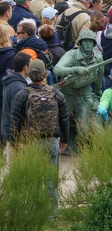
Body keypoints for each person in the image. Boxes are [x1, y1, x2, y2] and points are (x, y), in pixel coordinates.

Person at [9, 59, 70, 197]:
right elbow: (65, 118)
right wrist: (64, 139)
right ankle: (52, 215)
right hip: (52, 141)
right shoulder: (56, 94)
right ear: (45, 74)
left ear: (29, 74)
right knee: (51, 180)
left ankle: (33, 214)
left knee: (33, 180)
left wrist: (15, 143)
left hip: (31, 143)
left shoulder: (22, 94)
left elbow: (15, 121)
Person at [52, 28, 104, 133]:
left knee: (83, 129)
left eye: (90, 41)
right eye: (85, 41)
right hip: (68, 95)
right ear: (80, 42)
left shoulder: (98, 58)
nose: (88, 44)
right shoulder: (71, 55)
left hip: (84, 94)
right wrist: (75, 69)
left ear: (94, 43)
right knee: (64, 125)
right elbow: (57, 70)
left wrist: (98, 92)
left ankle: (82, 147)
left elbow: (99, 76)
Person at [1, 52, 31, 144]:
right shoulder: (18, 87)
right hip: (13, 136)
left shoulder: (10, 81)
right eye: (31, 65)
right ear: (25, 68)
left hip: (6, 130)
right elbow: (17, 115)